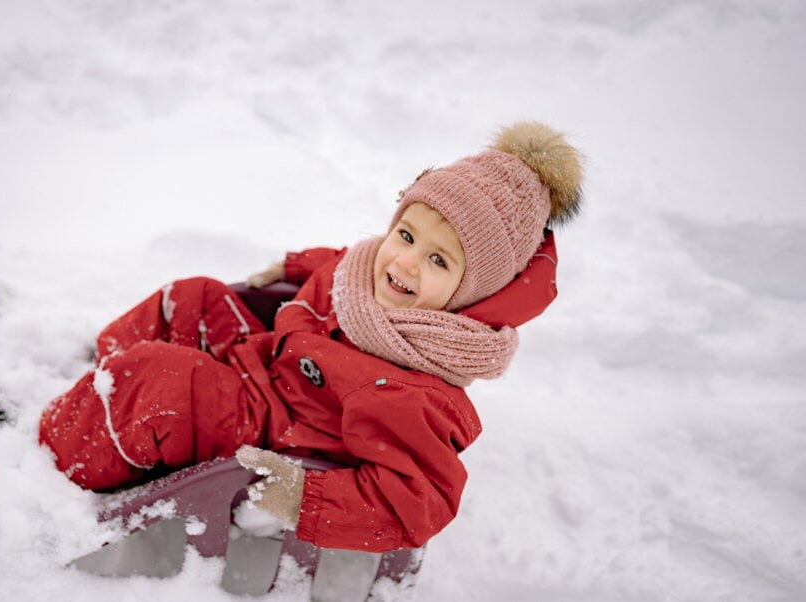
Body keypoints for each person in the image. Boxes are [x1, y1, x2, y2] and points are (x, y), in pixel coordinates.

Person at [37, 121, 583, 553]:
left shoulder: (417, 390)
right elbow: (340, 263)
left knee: (159, 382)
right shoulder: (369, 272)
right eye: (407, 234)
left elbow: (420, 500)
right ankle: (92, 400)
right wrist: (294, 267)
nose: (405, 262)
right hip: (265, 364)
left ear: (470, 293)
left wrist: (306, 497)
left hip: (274, 429)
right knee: (193, 297)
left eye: (438, 260)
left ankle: (50, 467)